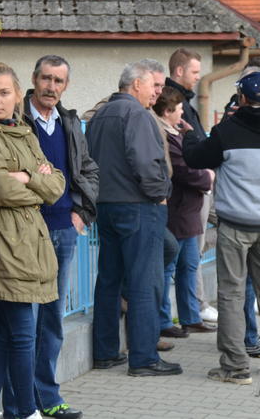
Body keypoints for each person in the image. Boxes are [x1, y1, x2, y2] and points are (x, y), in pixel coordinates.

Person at [0, 63, 66, 419]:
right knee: (23, 333)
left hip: (28, 238)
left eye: (4, 93)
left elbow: (58, 184)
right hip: (1, 240)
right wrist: (35, 181)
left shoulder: (23, 130)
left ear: (18, 95)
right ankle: (26, 412)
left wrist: (26, 177)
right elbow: (0, 190)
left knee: (3, 333)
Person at [183, 72, 260, 384]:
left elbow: (195, 158)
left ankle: (235, 367)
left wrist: (190, 135)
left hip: (235, 225)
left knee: (232, 295)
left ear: (242, 98)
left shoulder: (229, 130)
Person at [4, 55, 99, 419]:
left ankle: (48, 395)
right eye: (46, 79)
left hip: (63, 230)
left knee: (53, 320)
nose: (51, 87)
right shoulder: (15, 119)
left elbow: (88, 170)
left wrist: (81, 213)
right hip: (25, 232)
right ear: (34, 79)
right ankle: (19, 403)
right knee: (23, 323)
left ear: (65, 86)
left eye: (59, 81)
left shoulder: (70, 123)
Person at [87, 60, 178, 377]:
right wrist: (161, 191)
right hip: (138, 206)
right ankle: (144, 357)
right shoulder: (136, 114)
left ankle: (105, 352)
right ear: (136, 83)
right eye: (154, 86)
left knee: (109, 279)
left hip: (106, 205)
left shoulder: (100, 115)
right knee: (144, 282)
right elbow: (146, 163)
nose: (158, 93)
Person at [153, 87, 215, 338]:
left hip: (188, 212)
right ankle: (164, 321)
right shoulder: (165, 138)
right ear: (168, 112)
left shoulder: (176, 133)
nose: (182, 115)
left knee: (189, 266)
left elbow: (196, 157)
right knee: (169, 268)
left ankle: (191, 317)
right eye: (179, 110)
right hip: (177, 212)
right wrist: (207, 177)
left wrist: (189, 134)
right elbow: (184, 169)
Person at [164, 49, 219, 324]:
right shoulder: (172, 102)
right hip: (187, 193)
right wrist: (206, 176)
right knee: (186, 256)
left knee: (193, 253)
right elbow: (181, 157)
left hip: (197, 187)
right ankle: (195, 307)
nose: (198, 77)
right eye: (195, 72)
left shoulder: (185, 101)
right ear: (179, 71)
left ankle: (193, 312)